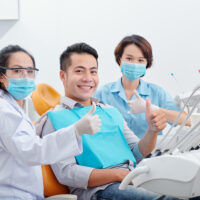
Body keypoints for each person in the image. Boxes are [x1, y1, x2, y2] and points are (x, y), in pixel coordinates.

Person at [41, 42, 183, 200]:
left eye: (93, 71)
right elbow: (66, 173)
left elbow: (136, 152)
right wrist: (117, 175)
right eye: (79, 71)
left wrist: (152, 130)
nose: (88, 78)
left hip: (132, 178)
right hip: (100, 190)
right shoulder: (54, 119)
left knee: (190, 190)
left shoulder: (109, 111)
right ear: (63, 75)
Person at [0, 45, 101, 199]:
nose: (25, 77)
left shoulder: (14, 107)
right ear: (2, 76)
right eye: (17, 70)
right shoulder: (4, 110)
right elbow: (31, 151)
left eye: (29, 71)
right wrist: (75, 131)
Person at [94, 34, 190, 138]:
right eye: (129, 58)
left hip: (150, 153)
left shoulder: (157, 93)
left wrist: (154, 109)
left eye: (140, 60)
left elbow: (188, 121)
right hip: (113, 152)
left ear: (147, 64)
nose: (134, 64)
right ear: (119, 60)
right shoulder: (103, 93)